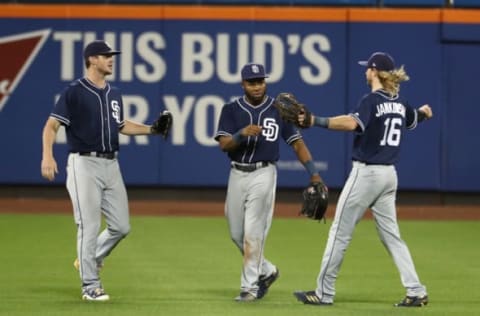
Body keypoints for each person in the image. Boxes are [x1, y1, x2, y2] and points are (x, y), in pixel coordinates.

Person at [293, 52, 432, 307]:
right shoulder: (400, 102)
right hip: (389, 176)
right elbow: (414, 118)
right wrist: (424, 112)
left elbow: (350, 123)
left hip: (366, 174)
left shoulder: (370, 101)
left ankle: (323, 293)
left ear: (374, 72)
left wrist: (315, 121)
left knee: (339, 233)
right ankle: (416, 291)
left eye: (367, 68)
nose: (365, 72)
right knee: (392, 236)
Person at [41, 40, 170, 301]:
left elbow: (120, 125)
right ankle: (90, 285)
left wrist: (152, 129)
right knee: (88, 225)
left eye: (112, 55)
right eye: (106, 55)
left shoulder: (114, 93)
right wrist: (47, 155)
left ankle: (90, 258)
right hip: (83, 164)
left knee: (121, 226)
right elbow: (51, 125)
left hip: (111, 164)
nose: (111, 59)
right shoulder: (74, 92)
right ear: (92, 60)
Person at [214, 63, 325, 302]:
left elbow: (297, 143)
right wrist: (240, 134)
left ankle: (249, 288)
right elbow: (224, 144)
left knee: (253, 232)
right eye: (252, 82)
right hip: (237, 173)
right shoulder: (231, 109)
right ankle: (267, 271)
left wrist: (314, 174)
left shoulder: (279, 110)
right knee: (236, 233)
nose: (257, 86)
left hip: (264, 173)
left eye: (261, 81)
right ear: (243, 84)